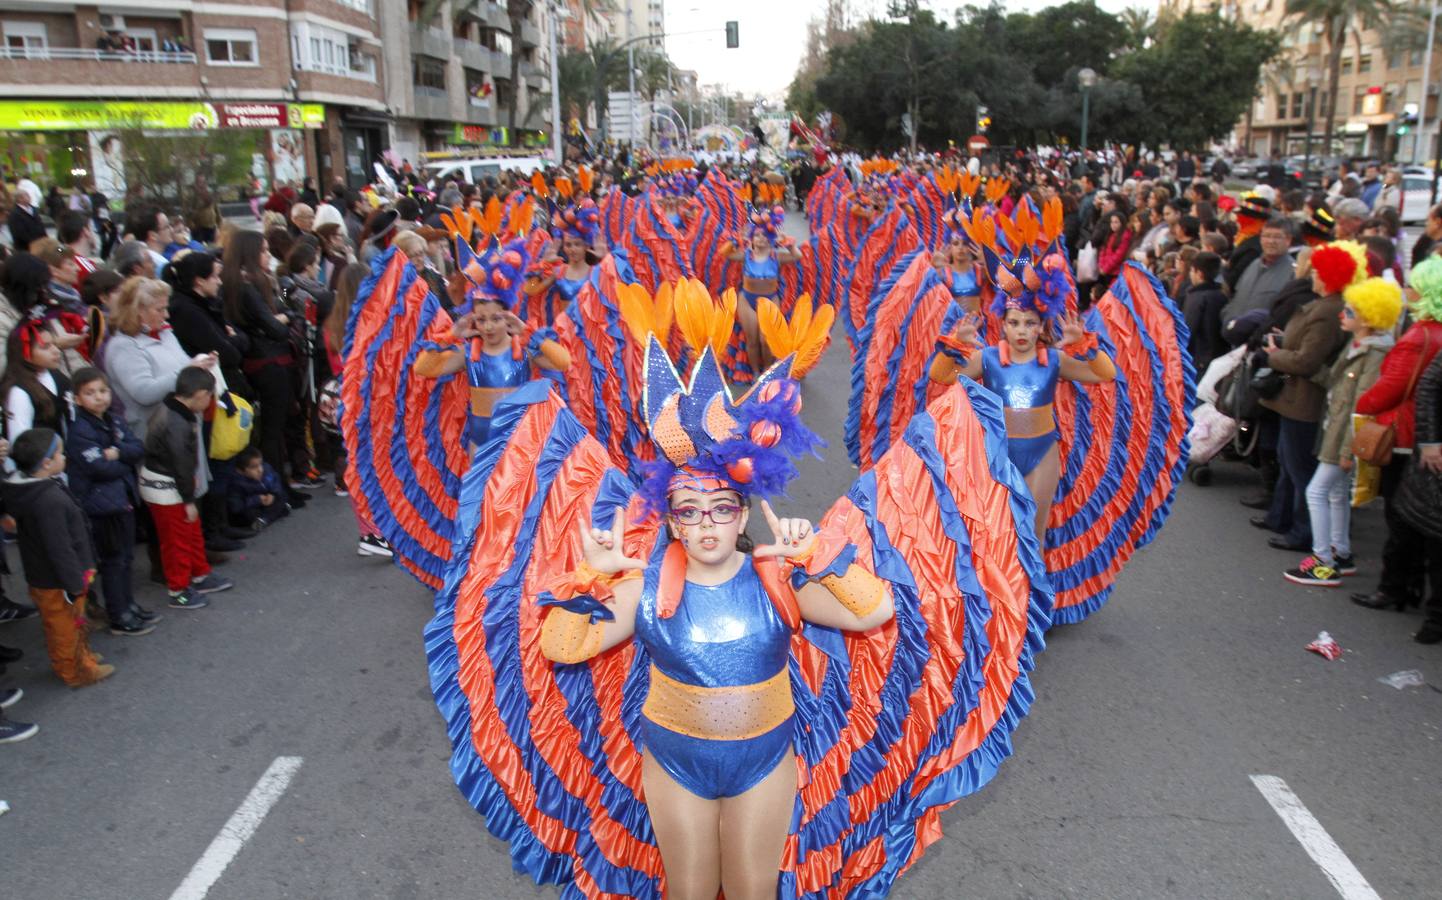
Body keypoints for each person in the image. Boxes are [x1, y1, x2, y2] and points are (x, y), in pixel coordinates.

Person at [930, 253, 1118, 540]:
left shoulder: (1054, 360)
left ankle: (1033, 586)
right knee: (995, 534)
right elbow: (940, 376)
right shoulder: (988, 358)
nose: (1021, 330)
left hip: (1042, 455)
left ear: (1041, 327)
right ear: (1003, 325)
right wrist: (954, 346)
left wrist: (1084, 344)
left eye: (1029, 323)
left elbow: (1105, 374)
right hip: (996, 454)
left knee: (1033, 535)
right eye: (1014, 322)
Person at [412, 238, 570, 448]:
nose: (488, 327)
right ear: (473, 320)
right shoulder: (468, 354)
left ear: (508, 317)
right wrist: (451, 335)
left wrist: (526, 331)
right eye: (481, 320)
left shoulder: (522, 350)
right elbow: (422, 368)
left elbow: (563, 362)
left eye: (496, 319)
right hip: (481, 447)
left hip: (520, 449)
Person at [1352, 255, 1442, 611]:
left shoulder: (1419, 336)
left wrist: (1362, 402)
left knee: (1400, 515)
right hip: (1422, 436)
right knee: (1423, 519)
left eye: (1412, 285)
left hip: (1402, 434)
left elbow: (1391, 387)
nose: (1406, 290)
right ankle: (1413, 587)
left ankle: (1395, 589)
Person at [1, 427, 112, 686]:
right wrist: (75, 584)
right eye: (60, 454)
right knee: (63, 628)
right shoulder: (47, 500)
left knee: (74, 622)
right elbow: (59, 548)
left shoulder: (38, 487)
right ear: (46, 463)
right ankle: (74, 672)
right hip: (59, 579)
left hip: (60, 574)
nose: (65, 458)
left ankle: (82, 658)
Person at [64, 367, 155, 634]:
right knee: (114, 560)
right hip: (100, 505)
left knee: (127, 557)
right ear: (78, 399)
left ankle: (129, 604)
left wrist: (117, 453)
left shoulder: (114, 420)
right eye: (90, 393)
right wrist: (122, 462)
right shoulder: (81, 430)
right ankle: (118, 614)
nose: (99, 398)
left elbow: (137, 448)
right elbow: (100, 468)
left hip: (121, 499)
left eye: (103, 391)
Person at [137, 365, 232, 609]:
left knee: (190, 532)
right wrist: (188, 500)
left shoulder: (172, 410)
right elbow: (180, 461)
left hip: (172, 483)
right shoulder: (177, 423)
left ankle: (200, 574)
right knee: (176, 541)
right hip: (167, 488)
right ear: (200, 394)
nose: (211, 400)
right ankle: (178, 590)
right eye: (210, 395)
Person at [103, 276, 215, 439]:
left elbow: (183, 364)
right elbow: (144, 392)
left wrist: (203, 364)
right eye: (160, 309)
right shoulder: (123, 346)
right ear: (138, 311)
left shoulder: (165, 333)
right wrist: (188, 370)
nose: (167, 315)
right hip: (156, 435)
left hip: (184, 425)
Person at [223, 230, 295, 481]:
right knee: (273, 429)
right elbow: (276, 325)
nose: (268, 256)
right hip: (268, 362)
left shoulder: (258, 281)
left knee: (276, 427)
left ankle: (280, 483)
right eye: (263, 251)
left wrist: (285, 303)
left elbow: (284, 304)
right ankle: (275, 484)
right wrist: (285, 317)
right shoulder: (246, 286)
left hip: (263, 359)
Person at [722, 207, 801, 373]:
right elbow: (725, 253)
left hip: (771, 299)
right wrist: (737, 239)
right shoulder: (746, 256)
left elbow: (797, 256)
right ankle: (756, 373)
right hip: (746, 300)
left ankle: (767, 370)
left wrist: (786, 241)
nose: (761, 239)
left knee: (767, 339)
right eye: (757, 235)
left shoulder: (776, 256)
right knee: (752, 340)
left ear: (771, 238)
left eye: (765, 235)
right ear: (752, 238)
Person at [2, 322, 71, 444]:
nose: (56, 351)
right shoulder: (18, 393)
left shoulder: (56, 375)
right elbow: (20, 443)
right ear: (25, 354)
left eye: (54, 344)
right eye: (45, 347)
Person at [1221, 217, 1296, 323]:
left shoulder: (1292, 273)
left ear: (1288, 240)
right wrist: (1227, 317)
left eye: (1277, 237)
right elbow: (1236, 296)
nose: (1271, 241)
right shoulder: (1253, 265)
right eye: (1267, 236)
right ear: (1260, 239)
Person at [1183, 250, 1228, 376]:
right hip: (1217, 357)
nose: (1190, 275)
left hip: (1199, 359)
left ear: (1199, 273)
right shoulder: (1222, 294)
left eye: (1192, 271)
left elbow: (1188, 330)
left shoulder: (1197, 297)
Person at [225, 446, 289, 531]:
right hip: (253, 506)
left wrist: (273, 494)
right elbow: (236, 506)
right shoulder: (237, 483)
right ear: (241, 471)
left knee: (282, 495)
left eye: (260, 464)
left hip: (267, 499)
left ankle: (266, 518)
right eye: (254, 467)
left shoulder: (266, 468)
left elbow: (276, 480)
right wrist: (257, 499)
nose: (260, 470)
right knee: (247, 515)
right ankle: (269, 517)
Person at [127, 207, 173, 276]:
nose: (172, 230)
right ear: (153, 235)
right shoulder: (161, 266)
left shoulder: (135, 258)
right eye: (167, 227)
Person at [7, 183, 46, 253]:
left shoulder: (34, 209)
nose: (29, 197)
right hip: (26, 247)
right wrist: (33, 241)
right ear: (19, 199)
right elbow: (20, 232)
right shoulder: (15, 214)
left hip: (41, 243)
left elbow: (40, 224)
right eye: (26, 195)